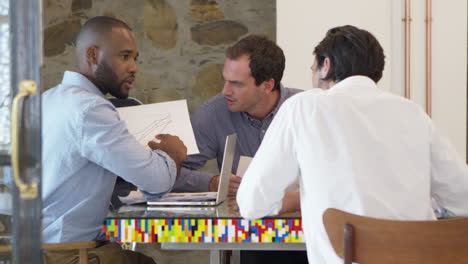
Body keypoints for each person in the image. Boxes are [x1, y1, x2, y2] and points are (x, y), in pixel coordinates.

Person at [237, 25, 468, 264]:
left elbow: (252, 203)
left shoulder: (304, 107)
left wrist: (291, 199)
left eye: (314, 67)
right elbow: (463, 198)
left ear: (326, 65)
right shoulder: (412, 111)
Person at [42, 16, 187, 264]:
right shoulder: (91, 110)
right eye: (124, 56)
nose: (134, 67)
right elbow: (158, 181)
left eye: (135, 58)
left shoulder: (47, 99)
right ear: (92, 55)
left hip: (34, 250)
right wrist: (172, 152)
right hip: (71, 255)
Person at [172, 35, 306, 263]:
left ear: (267, 85)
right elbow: (172, 173)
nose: (225, 90)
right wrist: (212, 182)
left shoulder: (305, 108)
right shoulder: (213, 113)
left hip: (308, 233)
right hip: (248, 236)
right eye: (225, 80)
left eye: (236, 83)